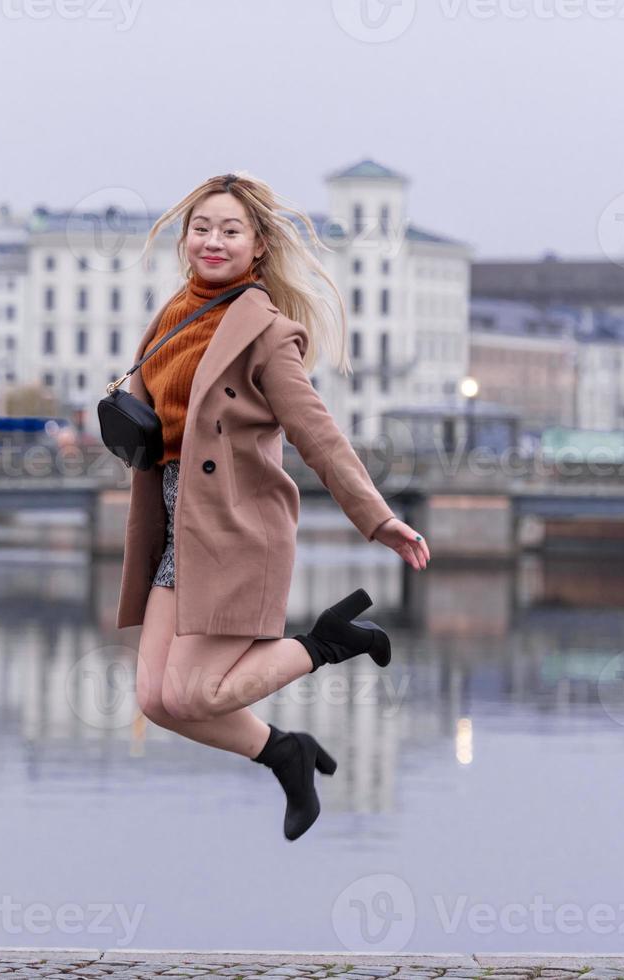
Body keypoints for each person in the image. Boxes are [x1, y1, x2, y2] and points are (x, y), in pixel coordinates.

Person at [115, 172, 431, 841]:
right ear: (186, 238)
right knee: (156, 700)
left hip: (235, 531)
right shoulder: (174, 314)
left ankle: (325, 643)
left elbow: (318, 432)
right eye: (202, 228)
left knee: (195, 693)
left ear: (257, 246)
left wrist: (377, 516)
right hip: (176, 525)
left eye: (230, 230)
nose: (213, 240)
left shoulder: (266, 331)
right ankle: (283, 753)